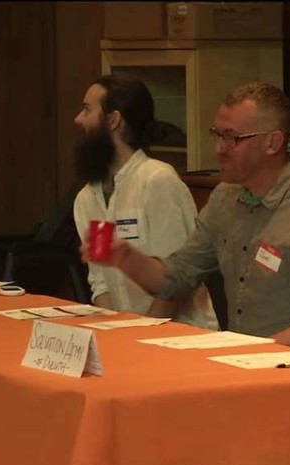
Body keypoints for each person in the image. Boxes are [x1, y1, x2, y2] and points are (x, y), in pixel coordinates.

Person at [83, 82, 290, 358]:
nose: (219, 148)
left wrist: (250, 352)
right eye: (217, 134)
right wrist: (126, 258)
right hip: (246, 364)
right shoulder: (225, 198)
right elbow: (178, 278)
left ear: (272, 142)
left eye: (232, 138)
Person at [72, 75, 217, 330]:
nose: (78, 119)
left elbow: (176, 283)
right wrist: (113, 333)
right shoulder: (87, 198)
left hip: (181, 335)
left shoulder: (157, 180)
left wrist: (138, 334)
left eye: (86, 110)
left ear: (113, 120)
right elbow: (101, 283)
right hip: (129, 335)